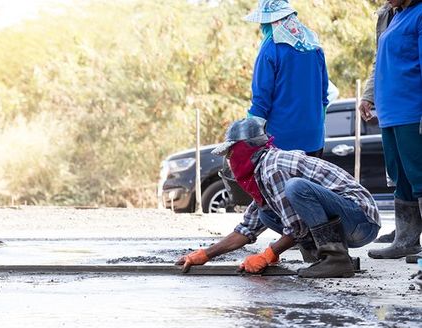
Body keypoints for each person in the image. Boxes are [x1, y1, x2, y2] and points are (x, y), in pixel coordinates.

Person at [176, 119, 380, 278]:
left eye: (231, 154)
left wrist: (268, 254)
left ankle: (335, 259)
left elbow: (296, 227)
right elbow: (246, 229)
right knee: (265, 214)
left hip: (360, 220)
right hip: (349, 224)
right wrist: (205, 255)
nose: (230, 161)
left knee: (296, 187)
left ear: (245, 149)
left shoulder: (273, 168)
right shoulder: (261, 174)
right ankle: (326, 257)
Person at [366, 0, 422, 261]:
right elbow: (380, 62)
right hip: (390, 113)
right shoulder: (393, 16)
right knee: (401, 178)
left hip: (412, 111)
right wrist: (369, 97)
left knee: (419, 176)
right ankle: (406, 240)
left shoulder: (419, 15)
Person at [245, 0, 329, 157]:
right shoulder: (315, 47)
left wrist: (250, 133)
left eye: (263, 23)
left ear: (272, 22)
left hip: (280, 144)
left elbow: (261, 100)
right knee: (308, 183)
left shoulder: (270, 49)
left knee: (285, 183)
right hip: (314, 139)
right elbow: (324, 96)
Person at [360, 1, 400, 244]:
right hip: (392, 104)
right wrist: (369, 94)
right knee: (397, 172)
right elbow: (380, 59)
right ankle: (407, 233)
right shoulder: (386, 14)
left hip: (410, 104)